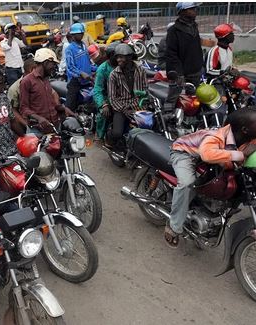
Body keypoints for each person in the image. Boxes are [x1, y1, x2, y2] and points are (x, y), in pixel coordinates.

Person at [165, 108, 256, 247]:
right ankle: (174, 226)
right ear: (245, 130)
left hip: (208, 159)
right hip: (185, 153)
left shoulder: (246, 137)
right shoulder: (216, 136)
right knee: (187, 183)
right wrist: (239, 155)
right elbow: (207, 154)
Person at [165, 2, 208, 108]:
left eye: (195, 8)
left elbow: (196, 47)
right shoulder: (173, 31)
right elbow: (171, 55)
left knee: (194, 100)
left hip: (195, 72)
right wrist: (178, 74)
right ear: (183, 12)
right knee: (173, 99)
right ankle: (167, 118)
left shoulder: (194, 27)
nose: (195, 11)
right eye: (191, 9)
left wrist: (201, 65)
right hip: (179, 73)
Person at [20, 48, 70, 135]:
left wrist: (63, 108)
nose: (54, 68)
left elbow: (50, 102)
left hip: (54, 126)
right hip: (37, 130)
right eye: (53, 64)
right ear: (45, 63)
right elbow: (24, 108)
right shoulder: (27, 81)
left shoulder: (46, 79)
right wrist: (39, 118)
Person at [106, 44, 147, 147]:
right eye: (117, 57)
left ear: (129, 57)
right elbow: (112, 98)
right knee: (117, 133)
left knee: (149, 127)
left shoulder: (140, 70)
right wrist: (125, 110)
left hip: (137, 105)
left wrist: (140, 102)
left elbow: (145, 89)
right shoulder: (114, 75)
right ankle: (108, 138)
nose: (119, 60)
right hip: (121, 107)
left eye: (121, 57)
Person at [65, 23, 97, 112]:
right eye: (78, 34)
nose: (81, 35)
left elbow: (88, 63)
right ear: (73, 35)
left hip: (88, 80)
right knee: (70, 106)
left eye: (82, 33)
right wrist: (81, 73)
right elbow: (70, 67)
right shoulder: (70, 49)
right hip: (75, 82)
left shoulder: (83, 45)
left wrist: (98, 68)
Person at [93, 42, 119, 142]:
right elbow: (97, 90)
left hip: (120, 98)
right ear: (110, 56)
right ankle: (99, 135)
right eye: (117, 56)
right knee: (104, 114)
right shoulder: (102, 69)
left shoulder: (122, 66)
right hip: (106, 98)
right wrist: (103, 104)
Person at [7, 58, 35, 133]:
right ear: (32, 69)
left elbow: (53, 94)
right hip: (28, 123)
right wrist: (26, 125)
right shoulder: (14, 89)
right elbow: (13, 111)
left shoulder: (41, 82)